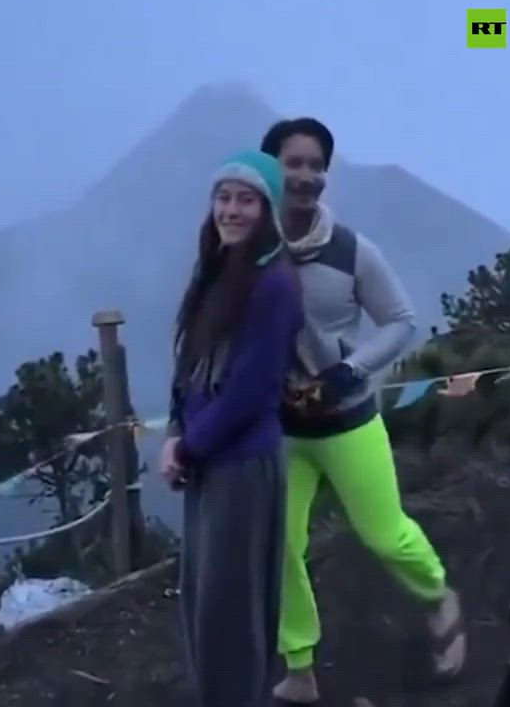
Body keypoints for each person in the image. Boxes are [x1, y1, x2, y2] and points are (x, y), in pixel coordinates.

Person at [259, 118, 468, 704]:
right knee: (282, 546)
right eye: (293, 163)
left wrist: (351, 370)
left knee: (384, 535)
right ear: (270, 170)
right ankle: (300, 667)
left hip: (348, 421)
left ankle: (438, 595)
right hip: (283, 430)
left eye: (316, 165)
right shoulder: (254, 250)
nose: (306, 176)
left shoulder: (352, 252)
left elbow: (400, 322)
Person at [159, 149, 305, 707]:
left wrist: (187, 447)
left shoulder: (274, 286)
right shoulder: (217, 268)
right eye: (224, 197)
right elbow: (189, 362)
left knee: (232, 609)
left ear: (267, 210)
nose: (232, 210)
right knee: (204, 601)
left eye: (246, 200)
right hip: (206, 459)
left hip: (242, 466)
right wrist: (175, 432)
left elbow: (251, 392)